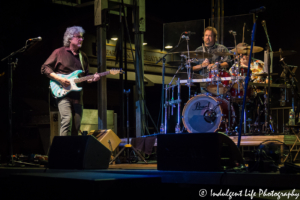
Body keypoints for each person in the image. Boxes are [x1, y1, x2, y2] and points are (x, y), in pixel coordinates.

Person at [41, 26, 100, 136]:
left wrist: (93, 78)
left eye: (82, 37)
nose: (81, 39)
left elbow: (87, 76)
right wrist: (60, 79)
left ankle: (73, 151)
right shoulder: (59, 52)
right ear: (69, 38)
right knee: (66, 120)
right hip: (63, 93)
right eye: (78, 37)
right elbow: (45, 68)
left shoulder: (83, 56)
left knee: (77, 125)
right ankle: (63, 151)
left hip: (78, 96)